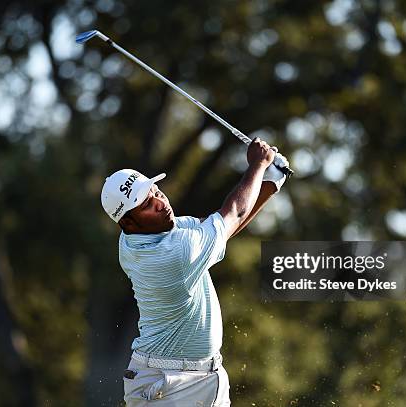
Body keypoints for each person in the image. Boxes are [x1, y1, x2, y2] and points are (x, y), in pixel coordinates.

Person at [100, 137, 289, 406]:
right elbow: (233, 213)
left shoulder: (143, 236)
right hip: (166, 384)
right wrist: (258, 165)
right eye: (146, 204)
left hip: (203, 377)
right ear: (129, 223)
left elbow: (225, 227)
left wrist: (270, 184)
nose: (159, 201)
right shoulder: (173, 253)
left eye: (154, 190)